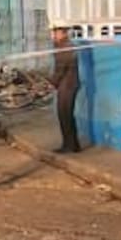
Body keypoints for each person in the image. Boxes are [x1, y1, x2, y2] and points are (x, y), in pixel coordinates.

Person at [50, 24, 82, 154]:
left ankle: (70, 145)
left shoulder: (66, 47)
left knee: (65, 115)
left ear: (63, 33)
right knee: (65, 115)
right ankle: (71, 144)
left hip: (68, 85)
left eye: (55, 33)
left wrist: (52, 82)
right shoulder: (61, 46)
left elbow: (61, 68)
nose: (53, 36)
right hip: (66, 84)